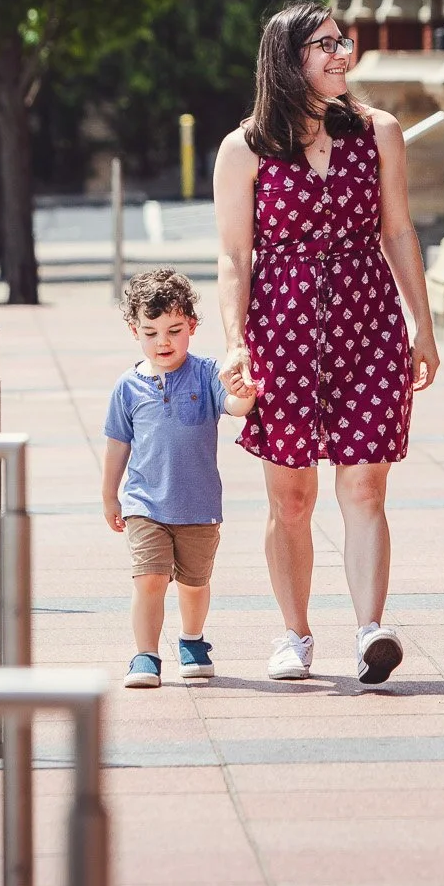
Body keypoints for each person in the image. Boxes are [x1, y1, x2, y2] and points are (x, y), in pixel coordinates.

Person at [212, 1, 441, 685]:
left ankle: (372, 629)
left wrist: (422, 322)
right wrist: (235, 343)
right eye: (326, 44)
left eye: (344, 41)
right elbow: (233, 256)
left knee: (366, 483)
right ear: (288, 60)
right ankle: (296, 633)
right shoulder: (244, 147)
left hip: (368, 323)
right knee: (291, 498)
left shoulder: (380, 133)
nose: (343, 52)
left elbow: (397, 231)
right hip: (278, 330)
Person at [101, 269, 257, 688]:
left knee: (194, 582)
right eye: (151, 333)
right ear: (135, 331)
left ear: (192, 325)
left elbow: (236, 407)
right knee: (149, 578)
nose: (163, 341)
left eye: (173, 330)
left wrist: (244, 391)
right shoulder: (128, 387)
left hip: (198, 505)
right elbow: (118, 445)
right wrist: (110, 498)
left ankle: (192, 640)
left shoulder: (207, 374)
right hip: (144, 504)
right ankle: (145, 655)